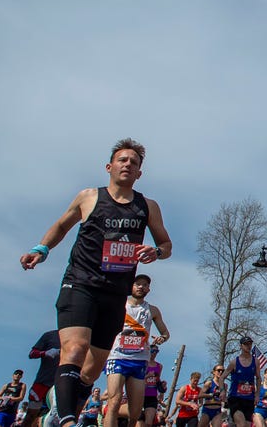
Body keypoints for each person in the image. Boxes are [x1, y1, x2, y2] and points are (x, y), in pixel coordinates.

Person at [20, 139, 173, 427]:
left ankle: (58, 409)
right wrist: (41, 249)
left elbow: (166, 243)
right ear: (109, 166)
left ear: (140, 173)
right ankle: (67, 421)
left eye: (134, 163)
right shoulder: (89, 197)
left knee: (91, 371)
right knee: (75, 349)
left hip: (115, 292)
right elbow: (63, 224)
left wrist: (157, 252)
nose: (128, 165)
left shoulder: (147, 207)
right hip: (80, 283)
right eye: (122, 160)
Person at [103, 274, 169, 427]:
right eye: (137, 284)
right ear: (130, 286)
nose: (141, 287)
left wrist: (161, 339)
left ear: (148, 289)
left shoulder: (152, 310)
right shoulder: (119, 304)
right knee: (114, 400)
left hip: (139, 360)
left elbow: (165, 333)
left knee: (136, 411)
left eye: (144, 285)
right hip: (117, 356)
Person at [26, 331, 61, 427]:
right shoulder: (50, 335)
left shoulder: (76, 336)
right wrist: (45, 353)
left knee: (54, 417)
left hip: (60, 384)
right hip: (42, 382)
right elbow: (32, 353)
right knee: (31, 416)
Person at [225, 337, 261, 427]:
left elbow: (258, 378)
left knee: (247, 425)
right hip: (235, 398)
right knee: (241, 424)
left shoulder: (256, 361)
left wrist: (257, 394)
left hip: (249, 399)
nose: (248, 346)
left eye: (250, 344)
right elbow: (222, 377)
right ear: (241, 346)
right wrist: (222, 391)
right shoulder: (234, 362)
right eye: (246, 344)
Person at [138, 346, 164, 427]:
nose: (155, 353)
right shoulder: (143, 363)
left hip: (152, 396)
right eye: (153, 351)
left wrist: (162, 391)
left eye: (157, 351)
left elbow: (158, 380)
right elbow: (137, 378)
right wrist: (147, 376)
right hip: (140, 394)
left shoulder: (159, 366)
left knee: (149, 422)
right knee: (137, 420)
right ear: (149, 351)